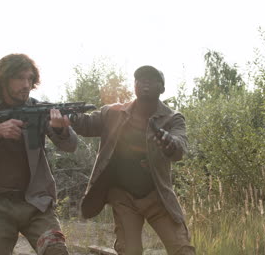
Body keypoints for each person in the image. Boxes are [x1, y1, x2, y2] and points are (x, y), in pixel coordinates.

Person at [0, 53, 77, 255]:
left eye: (30, 79)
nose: (26, 84)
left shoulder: (38, 109)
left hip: (36, 202)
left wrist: (61, 129)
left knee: (57, 250)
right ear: (3, 78)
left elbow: (71, 146)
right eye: (20, 78)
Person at [72, 65, 195, 254]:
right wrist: (67, 117)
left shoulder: (172, 118)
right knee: (130, 250)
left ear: (162, 88)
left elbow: (179, 146)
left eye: (152, 79)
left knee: (182, 249)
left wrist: (169, 142)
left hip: (157, 196)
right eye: (140, 78)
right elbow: (86, 125)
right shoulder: (113, 113)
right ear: (134, 85)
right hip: (124, 197)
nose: (145, 82)